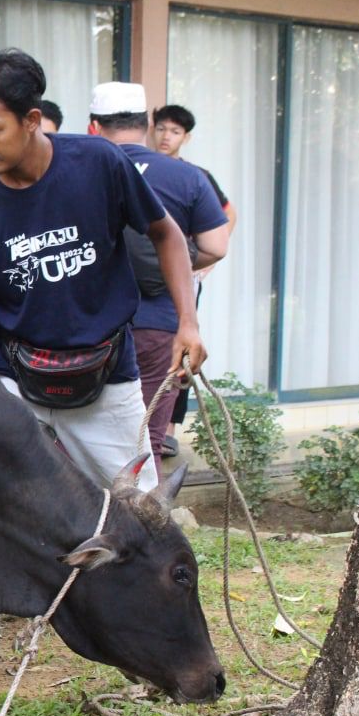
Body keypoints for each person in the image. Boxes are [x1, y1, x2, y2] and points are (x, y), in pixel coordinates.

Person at [0, 49, 206, 716]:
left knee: (145, 530)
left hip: (105, 376)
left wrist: (188, 322)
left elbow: (166, 234)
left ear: (33, 120)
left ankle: (161, 660)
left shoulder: (99, 164)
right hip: (12, 379)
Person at [89, 83, 229, 467]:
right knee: (146, 436)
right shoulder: (187, 177)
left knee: (81, 433)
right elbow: (216, 246)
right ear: (147, 122)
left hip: (89, 327)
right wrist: (175, 265)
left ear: (93, 126)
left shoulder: (75, 171)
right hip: (160, 326)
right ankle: (140, 519)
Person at [151, 103, 237, 456]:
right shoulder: (139, 168)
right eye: (162, 128)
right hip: (143, 280)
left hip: (179, 278)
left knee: (183, 344)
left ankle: (168, 428)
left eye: (174, 131)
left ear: (186, 138)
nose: (166, 136)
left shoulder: (195, 176)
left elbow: (227, 214)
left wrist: (202, 262)